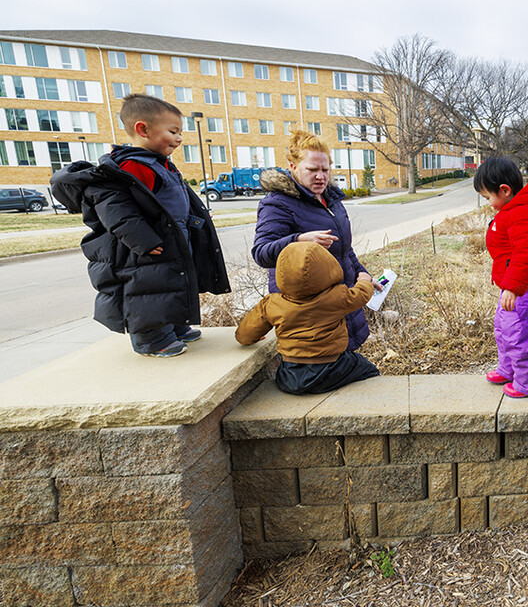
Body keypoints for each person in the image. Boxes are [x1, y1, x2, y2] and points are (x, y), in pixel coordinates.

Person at [50, 94, 230, 357]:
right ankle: (152, 339)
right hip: (145, 246)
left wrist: (193, 221)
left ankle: (175, 326)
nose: (180, 139)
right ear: (142, 129)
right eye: (173, 131)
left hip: (172, 237)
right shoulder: (133, 166)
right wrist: (143, 240)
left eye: (180, 132)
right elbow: (117, 209)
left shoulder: (159, 164)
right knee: (147, 289)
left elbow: (169, 201)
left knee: (173, 283)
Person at [252, 131, 381, 352]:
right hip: (310, 311)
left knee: (348, 363)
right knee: (323, 365)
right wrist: (299, 240)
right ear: (293, 167)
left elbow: (344, 250)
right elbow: (261, 253)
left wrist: (364, 275)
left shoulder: (330, 200)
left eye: (325, 170)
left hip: (340, 299)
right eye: (312, 170)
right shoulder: (277, 204)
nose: (320, 176)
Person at [236, 242, 380, 394]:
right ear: (328, 268)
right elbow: (361, 295)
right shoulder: (337, 297)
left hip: (290, 375)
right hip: (332, 369)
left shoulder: (272, 303)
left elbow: (246, 332)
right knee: (366, 368)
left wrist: (248, 339)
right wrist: (364, 280)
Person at [475, 156, 528, 398]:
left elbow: (527, 255)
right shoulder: (513, 210)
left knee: (522, 336)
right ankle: (509, 369)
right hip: (517, 287)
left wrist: (512, 287)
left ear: (504, 190)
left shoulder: (524, 213)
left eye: (488, 197)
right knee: (504, 330)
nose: (488, 203)